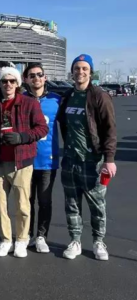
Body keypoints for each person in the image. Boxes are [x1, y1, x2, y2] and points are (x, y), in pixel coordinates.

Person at [57, 54, 117, 261]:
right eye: (77, 68)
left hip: (93, 162)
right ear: (72, 71)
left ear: (90, 72)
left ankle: (99, 241)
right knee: (71, 204)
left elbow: (110, 129)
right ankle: (75, 241)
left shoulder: (99, 96)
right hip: (70, 161)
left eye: (84, 68)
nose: (80, 72)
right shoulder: (67, 97)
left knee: (97, 205)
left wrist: (109, 159)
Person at [0, 67, 48, 258]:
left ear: (18, 84)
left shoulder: (29, 103)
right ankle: (6, 240)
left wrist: (22, 137)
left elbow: (42, 128)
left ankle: (22, 240)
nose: (8, 85)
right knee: (0, 204)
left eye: (12, 81)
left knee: (22, 204)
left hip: (21, 160)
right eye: (4, 81)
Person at [23, 63, 61, 253]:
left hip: (47, 159)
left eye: (40, 75)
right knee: (26, 200)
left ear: (45, 78)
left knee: (44, 200)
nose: (36, 78)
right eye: (32, 75)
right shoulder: (20, 99)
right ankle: (26, 234)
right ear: (26, 79)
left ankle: (41, 236)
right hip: (25, 159)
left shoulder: (56, 100)